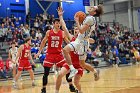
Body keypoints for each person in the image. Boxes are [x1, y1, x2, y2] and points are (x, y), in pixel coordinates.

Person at [58, 7, 95, 93]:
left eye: (77, 29)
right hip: (70, 64)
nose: (75, 31)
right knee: (60, 74)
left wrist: (87, 40)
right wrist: (60, 16)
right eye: (74, 30)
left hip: (78, 65)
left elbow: (92, 41)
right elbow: (63, 26)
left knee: (76, 82)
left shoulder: (84, 39)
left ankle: (80, 91)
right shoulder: (71, 38)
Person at [62, 5, 103, 79]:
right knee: (82, 63)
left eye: (93, 8)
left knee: (65, 50)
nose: (91, 7)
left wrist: (77, 22)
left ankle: (72, 69)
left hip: (81, 42)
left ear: (94, 12)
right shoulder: (90, 18)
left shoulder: (90, 19)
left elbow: (81, 30)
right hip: (82, 41)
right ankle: (95, 71)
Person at [35, 18, 70, 93]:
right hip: (50, 55)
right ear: (53, 24)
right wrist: (39, 52)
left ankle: (70, 85)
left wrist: (74, 47)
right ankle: (43, 88)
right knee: (46, 73)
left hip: (59, 55)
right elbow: (43, 42)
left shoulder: (62, 33)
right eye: (57, 23)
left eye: (59, 23)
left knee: (67, 69)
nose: (58, 24)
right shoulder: (49, 32)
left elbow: (67, 42)